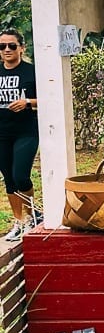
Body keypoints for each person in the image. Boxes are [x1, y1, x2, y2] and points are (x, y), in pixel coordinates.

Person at [0, 28, 40, 242]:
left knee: (20, 175)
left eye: (12, 46)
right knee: (9, 179)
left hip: (26, 131)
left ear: (21, 48)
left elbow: (49, 98)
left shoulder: (31, 72)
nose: (7, 50)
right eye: (2, 46)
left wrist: (28, 102)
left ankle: (32, 215)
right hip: (2, 133)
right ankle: (19, 222)